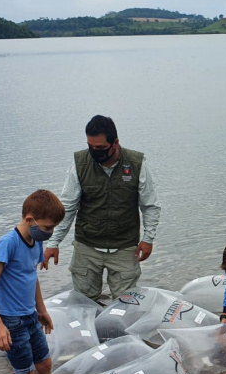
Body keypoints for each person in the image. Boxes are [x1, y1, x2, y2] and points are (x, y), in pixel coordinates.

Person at [42, 115, 161, 302]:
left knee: (127, 305)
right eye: (91, 146)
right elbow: (67, 207)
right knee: (83, 304)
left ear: (115, 142)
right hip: (86, 248)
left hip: (124, 247)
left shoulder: (137, 164)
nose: (95, 151)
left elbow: (150, 206)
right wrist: (53, 243)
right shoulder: (80, 164)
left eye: (101, 148)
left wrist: (148, 239)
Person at [0, 190, 66, 374]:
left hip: (30, 316)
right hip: (11, 320)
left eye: (53, 227)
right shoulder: (8, 243)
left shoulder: (36, 242)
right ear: (30, 220)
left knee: (45, 364)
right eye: (48, 227)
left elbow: (32, 277)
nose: (51, 232)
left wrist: (42, 310)